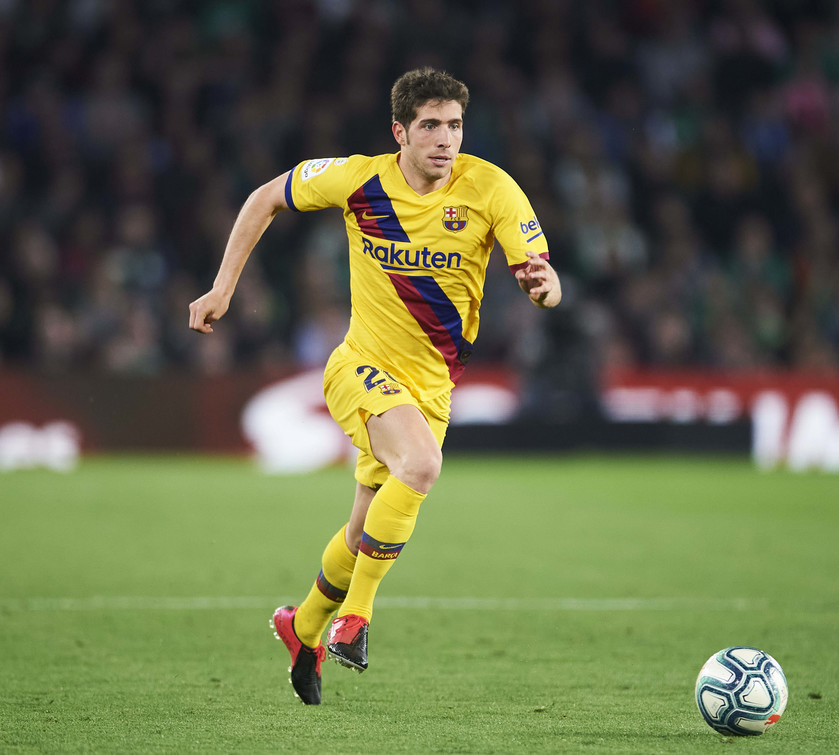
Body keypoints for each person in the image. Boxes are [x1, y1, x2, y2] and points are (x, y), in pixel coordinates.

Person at [188, 67, 561, 705]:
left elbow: (543, 272)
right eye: (431, 127)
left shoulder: (492, 187)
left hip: (431, 390)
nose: (446, 139)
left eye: (455, 126)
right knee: (421, 464)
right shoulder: (360, 178)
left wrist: (544, 289)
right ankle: (354, 620)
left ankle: (301, 627)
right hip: (360, 368)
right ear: (401, 132)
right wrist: (223, 287)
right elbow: (264, 199)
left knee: (363, 533)